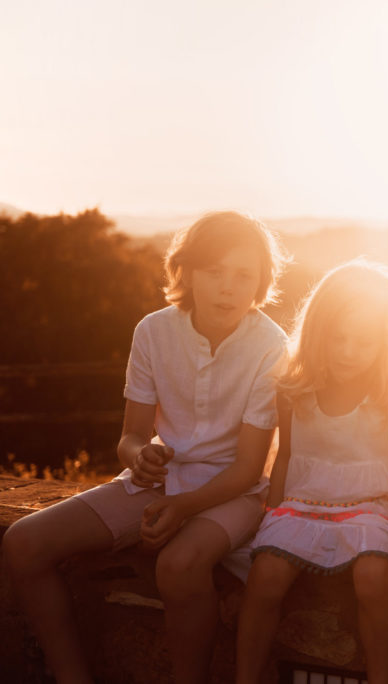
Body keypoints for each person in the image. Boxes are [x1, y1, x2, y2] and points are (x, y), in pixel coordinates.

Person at [3, 211, 290, 684]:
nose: (228, 288)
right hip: (156, 482)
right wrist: (140, 456)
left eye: (244, 276)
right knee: (24, 542)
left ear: (262, 282)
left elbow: (247, 469)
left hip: (231, 493)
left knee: (178, 565)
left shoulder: (271, 346)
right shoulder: (153, 331)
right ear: (188, 271)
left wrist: (182, 508)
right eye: (214, 271)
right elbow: (130, 436)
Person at [234, 261, 388, 684]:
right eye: (338, 338)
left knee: (373, 576)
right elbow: (285, 456)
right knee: (264, 574)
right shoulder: (293, 388)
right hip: (302, 502)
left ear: (385, 343)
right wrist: (272, 515)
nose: (348, 351)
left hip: (375, 506)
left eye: (364, 342)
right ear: (318, 334)